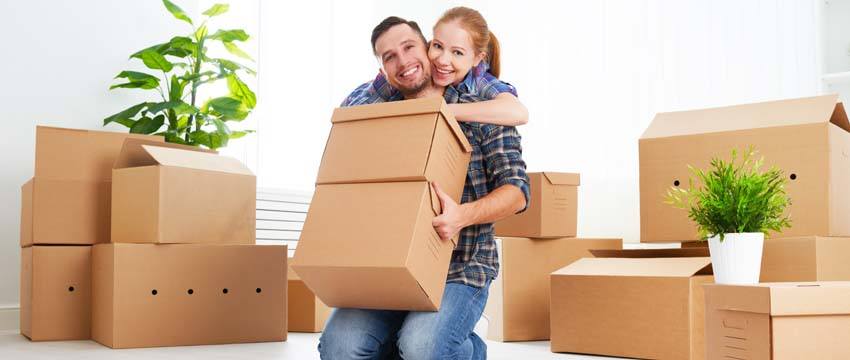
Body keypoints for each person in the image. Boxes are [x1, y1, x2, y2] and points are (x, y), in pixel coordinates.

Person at [320, 9, 530, 360]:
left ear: (422, 47)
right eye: (390, 57)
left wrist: (462, 215)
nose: (404, 61)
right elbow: (342, 123)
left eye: (409, 48)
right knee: (340, 347)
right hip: (388, 268)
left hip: (461, 267)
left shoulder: (482, 103)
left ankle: (468, 350)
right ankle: (410, 340)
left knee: (423, 347)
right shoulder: (380, 101)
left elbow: (518, 192)